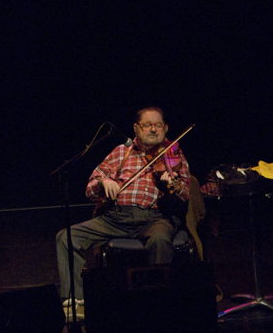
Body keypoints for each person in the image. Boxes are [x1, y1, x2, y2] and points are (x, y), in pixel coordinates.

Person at [56, 107, 191, 303]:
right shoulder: (120, 152)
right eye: (147, 125)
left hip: (156, 218)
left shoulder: (173, 154)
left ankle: (158, 302)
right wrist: (104, 182)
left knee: (160, 240)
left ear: (166, 128)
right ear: (136, 128)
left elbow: (186, 193)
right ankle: (74, 302)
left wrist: (172, 185)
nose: (153, 130)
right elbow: (90, 190)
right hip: (116, 218)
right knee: (66, 238)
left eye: (158, 125)